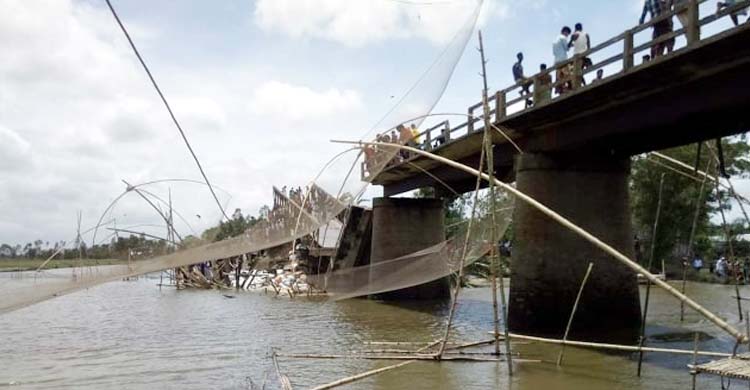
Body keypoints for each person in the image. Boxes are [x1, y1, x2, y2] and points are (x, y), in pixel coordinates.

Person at [553, 26, 572, 94]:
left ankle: (559, 90)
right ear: (565, 31)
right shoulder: (563, 38)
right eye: (567, 33)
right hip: (563, 60)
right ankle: (570, 88)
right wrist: (571, 40)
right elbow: (567, 48)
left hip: (556, 61)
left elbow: (555, 51)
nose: (567, 35)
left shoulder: (555, 39)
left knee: (559, 77)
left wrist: (569, 45)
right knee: (568, 75)